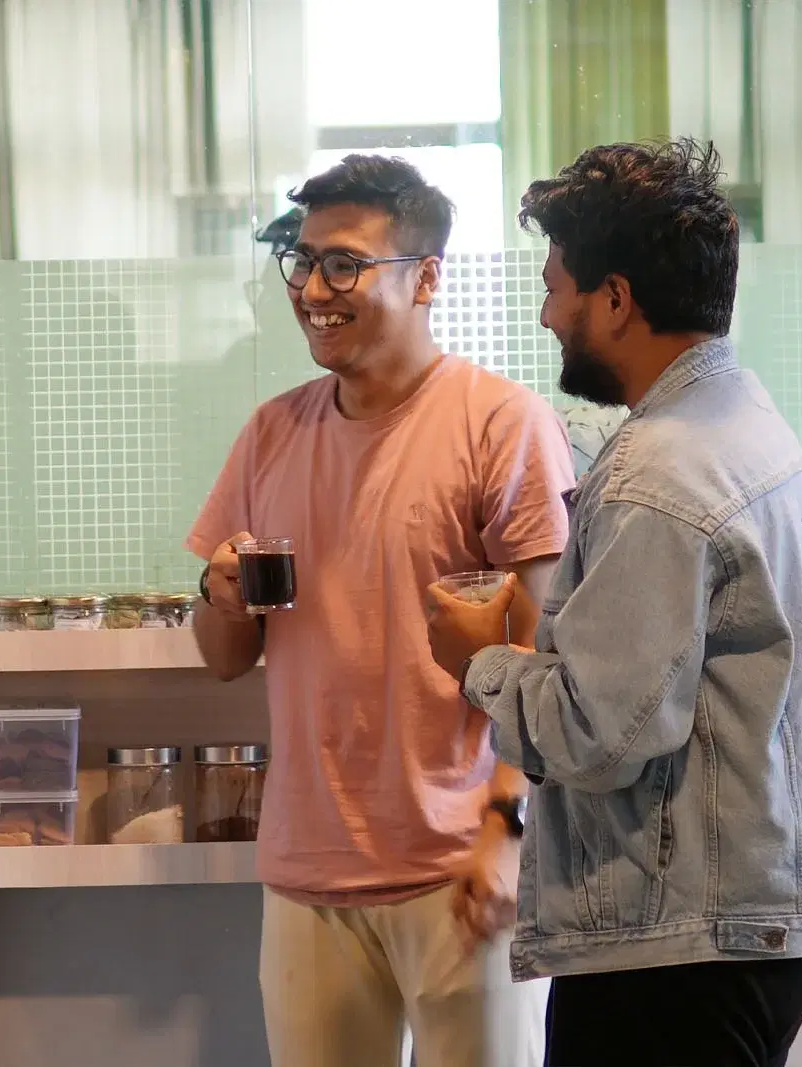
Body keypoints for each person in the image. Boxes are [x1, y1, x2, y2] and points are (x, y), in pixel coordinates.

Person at [425, 139, 802, 1067]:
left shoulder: (657, 471)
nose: (546, 316)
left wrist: (479, 659)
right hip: (763, 911)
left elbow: (601, 734)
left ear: (616, 298)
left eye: (556, 288)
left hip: (681, 950)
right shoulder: (744, 417)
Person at [188, 154, 575, 1067]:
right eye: (304, 262)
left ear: (427, 276)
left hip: (459, 868)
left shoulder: (502, 424)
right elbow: (222, 656)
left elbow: (549, 659)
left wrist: (506, 835)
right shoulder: (271, 433)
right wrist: (218, 591)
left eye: (345, 264)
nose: (314, 289)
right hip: (307, 871)